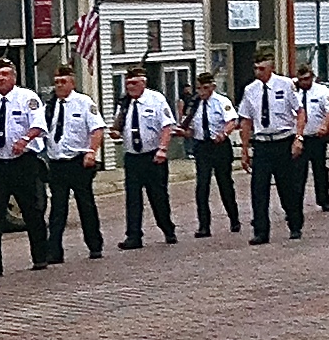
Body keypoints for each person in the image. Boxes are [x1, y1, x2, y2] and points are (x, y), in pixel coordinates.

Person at [0, 56, 51, 276]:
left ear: (14, 77)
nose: (1, 79)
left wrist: (25, 139)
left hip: (23, 163)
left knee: (31, 211)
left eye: (5, 74)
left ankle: (40, 256)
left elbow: (39, 125)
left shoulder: (27, 98)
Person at [237, 52, 306, 244]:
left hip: (283, 141)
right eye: (255, 69)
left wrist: (298, 138)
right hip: (262, 144)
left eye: (262, 68)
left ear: (271, 68)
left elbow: (300, 112)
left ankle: (295, 225)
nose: (258, 72)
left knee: (287, 188)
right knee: (259, 189)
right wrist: (244, 150)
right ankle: (261, 231)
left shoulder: (285, 85)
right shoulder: (250, 90)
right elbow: (246, 120)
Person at [43, 62, 106, 261]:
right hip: (57, 163)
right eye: (56, 82)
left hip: (79, 162)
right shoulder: (49, 106)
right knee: (57, 209)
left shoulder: (84, 102)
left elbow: (97, 129)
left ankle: (95, 245)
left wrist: (91, 152)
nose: (59, 85)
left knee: (86, 206)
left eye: (63, 81)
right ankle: (54, 251)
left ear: (72, 82)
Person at [111, 63, 178, 248]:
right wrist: (115, 132)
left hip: (153, 156)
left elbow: (167, 126)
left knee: (158, 197)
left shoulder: (156, 99)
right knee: (133, 198)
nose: (130, 87)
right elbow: (118, 125)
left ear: (143, 83)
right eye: (128, 83)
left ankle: (167, 228)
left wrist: (163, 149)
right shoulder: (124, 103)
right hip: (132, 156)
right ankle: (133, 236)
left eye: (134, 83)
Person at [180, 71, 240, 238]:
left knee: (224, 183)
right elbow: (191, 129)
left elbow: (231, 121)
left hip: (219, 146)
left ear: (213, 87)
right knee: (202, 186)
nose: (202, 92)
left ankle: (234, 218)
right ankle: (204, 225)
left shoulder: (222, 101)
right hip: (202, 147)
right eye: (199, 88)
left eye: (205, 88)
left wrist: (224, 133)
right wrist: (182, 132)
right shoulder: (194, 105)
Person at [294, 64, 329, 214]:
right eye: (301, 80)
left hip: (316, 137)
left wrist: (325, 125)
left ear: (312, 77)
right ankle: (296, 205)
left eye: (307, 79)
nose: (304, 82)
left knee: (320, 170)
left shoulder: (321, 90)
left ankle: (324, 200)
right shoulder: (293, 92)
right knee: (298, 173)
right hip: (299, 139)